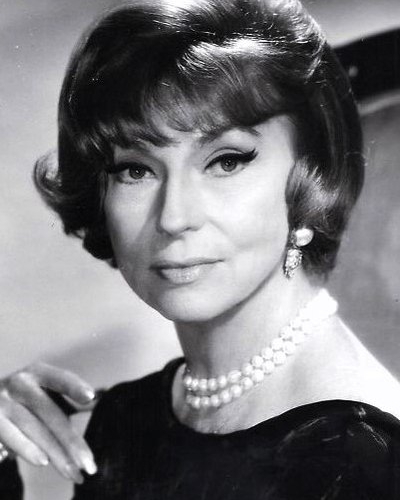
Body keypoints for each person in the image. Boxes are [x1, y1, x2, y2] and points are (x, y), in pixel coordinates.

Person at [1, 0, 400, 498]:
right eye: (135, 170)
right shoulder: (122, 420)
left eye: (226, 161)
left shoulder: (366, 460)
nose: (173, 217)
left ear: (312, 179)